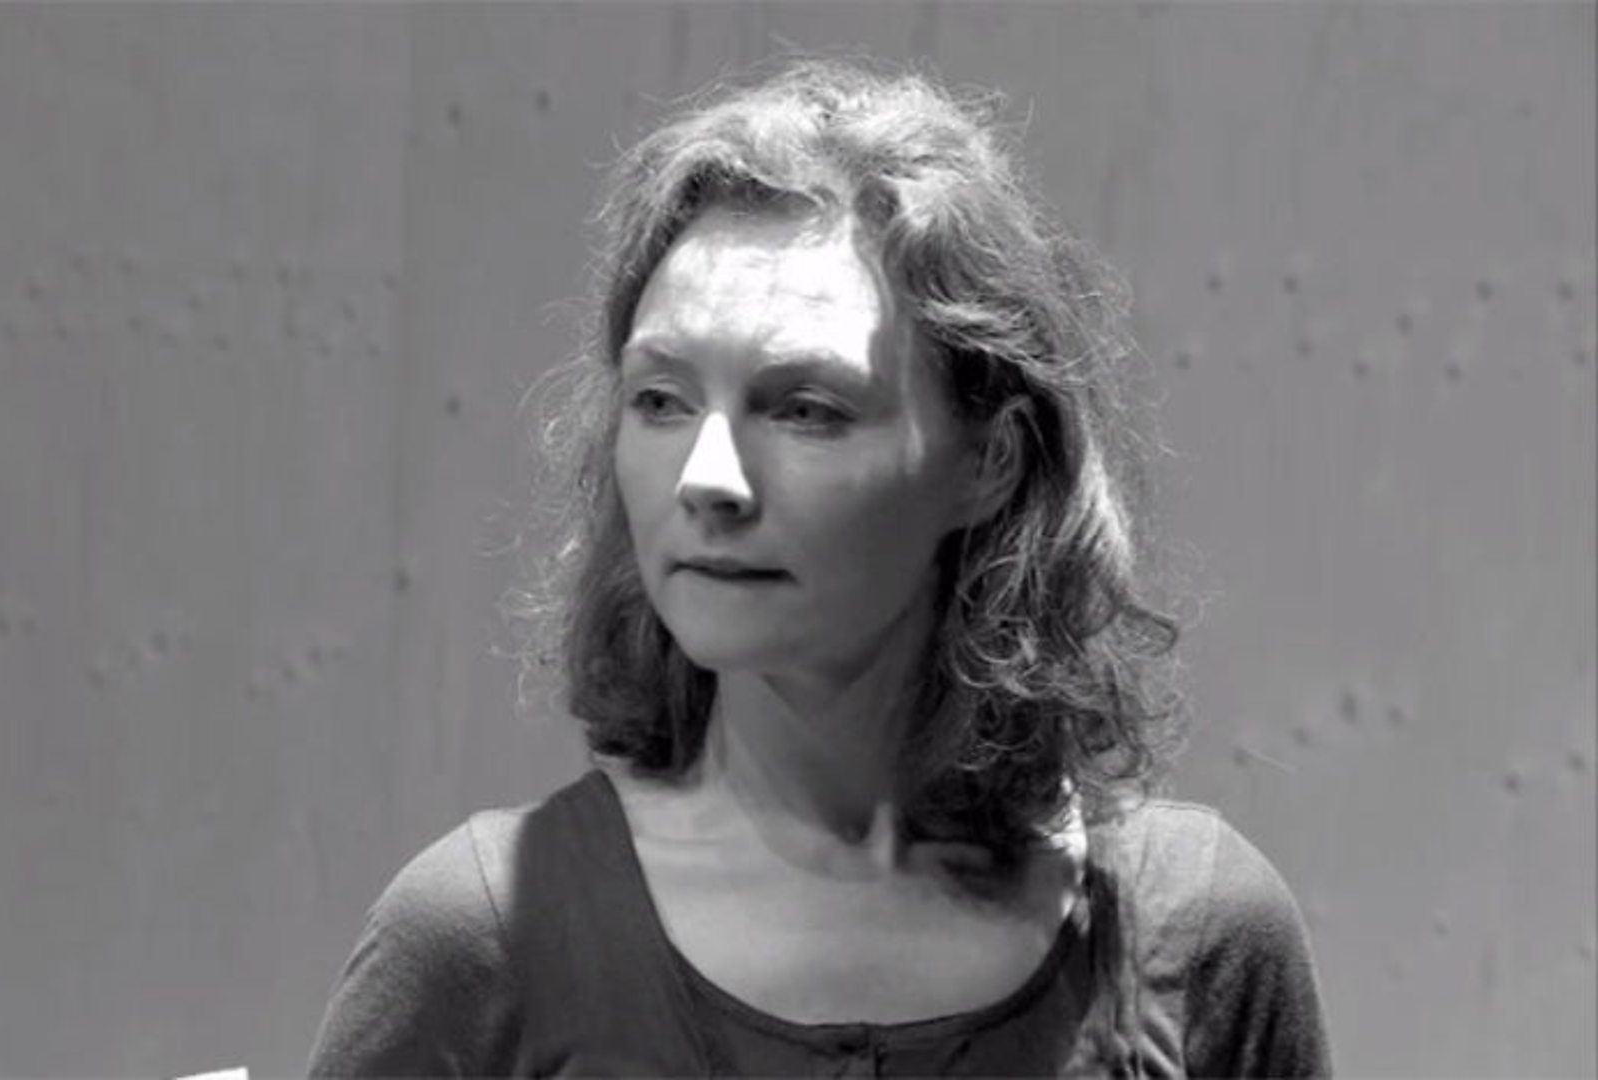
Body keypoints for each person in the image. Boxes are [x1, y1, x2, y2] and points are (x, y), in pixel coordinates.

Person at [308, 57, 1330, 1077]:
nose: (706, 480)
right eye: (660, 401)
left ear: (990, 460)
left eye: (804, 409)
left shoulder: (1197, 931)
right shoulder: (481, 936)